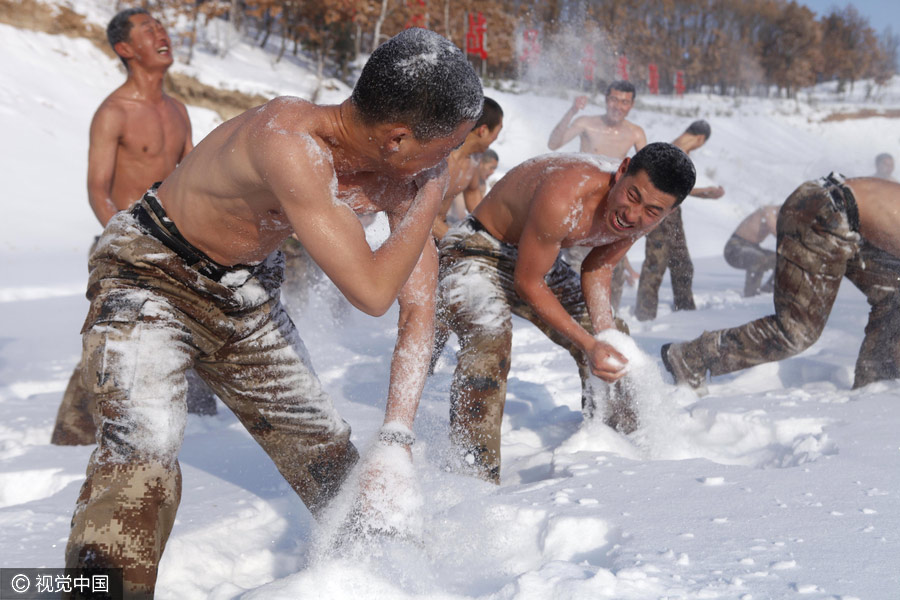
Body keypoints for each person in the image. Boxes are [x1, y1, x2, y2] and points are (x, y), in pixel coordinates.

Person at [64, 27, 483, 597]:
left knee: (330, 456)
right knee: (142, 458)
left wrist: (395, 438)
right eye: (449, 147)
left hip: (245, 292)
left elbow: (418, 308)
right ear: (398, 138)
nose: (449, 162)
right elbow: (372, 293)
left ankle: (389, 581)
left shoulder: (402, 174)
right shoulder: (288, 140)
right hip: (152, 272)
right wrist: (431, 197)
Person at [438, 143, 696, 483]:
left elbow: (598, 267)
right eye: (632, 196)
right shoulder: (566, 195)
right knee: (490, 341)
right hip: (478, 246)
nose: (633, 215)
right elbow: (528, 283)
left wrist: (603, 339)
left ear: (667, 212)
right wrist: (588, 345)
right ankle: (471, 475)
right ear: (622, 171)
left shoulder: (648, 213)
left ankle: (614, 444)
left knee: (615, 340)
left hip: (539, 258)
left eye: (652, 211)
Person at [50, 8, 216, 447]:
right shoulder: (114, 112)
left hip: (177, 245)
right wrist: (126, 240)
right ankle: (73, 439)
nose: (162, 34)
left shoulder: (178, 110)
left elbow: (193, 179)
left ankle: (204, 424)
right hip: (125, 245)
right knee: (113, 343)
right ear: (125, 48)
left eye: (161, 26)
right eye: (148, 30)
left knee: (194, 330)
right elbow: (97, 189)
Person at [662, 174, 900, 396]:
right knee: (796, 330)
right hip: (822, 213)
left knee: (894, 296)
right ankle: (691, 357)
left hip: (840, 212)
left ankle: (877, 381)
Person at [547, 81, 648, 310]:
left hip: (616, 209)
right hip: (585, 204)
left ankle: (610, 319)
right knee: (578, 264)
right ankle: (574, 316)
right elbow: (553, 144)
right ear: (606, 99)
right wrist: (572, 111)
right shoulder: (587, 123)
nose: (618, 106)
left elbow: (647, 172)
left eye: (624, 102)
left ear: (631, 105)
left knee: (612, 270)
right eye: (614, 100)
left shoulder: (635, 132)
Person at [634, 120, 726, 321]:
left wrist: (705, 193)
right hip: (661, 214)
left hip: (672, 215)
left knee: (682, 264)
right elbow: (667, 188)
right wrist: (705, 193)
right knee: (655, 264)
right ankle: (644, 315)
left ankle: (685, 313)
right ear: (700, 139)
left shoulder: (678, 150)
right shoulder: (676, 152)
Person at [431, 97, 503, 240]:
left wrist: (499, 232)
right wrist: (459, 241)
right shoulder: (440, 158)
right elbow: (417, 213)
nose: (496, 138)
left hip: (440, 229)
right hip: (418, 229)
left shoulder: (474, 160)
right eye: (497, 132)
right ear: (483, 130)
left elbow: (473, 194)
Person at [723, 204, 780, 298]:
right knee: (759, 258)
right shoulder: (768, 211)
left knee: (781, 260)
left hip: (753, 247)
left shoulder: (775, 215)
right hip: (735, 247)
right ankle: (751, 293)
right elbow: (774, 229)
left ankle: (769, 289)